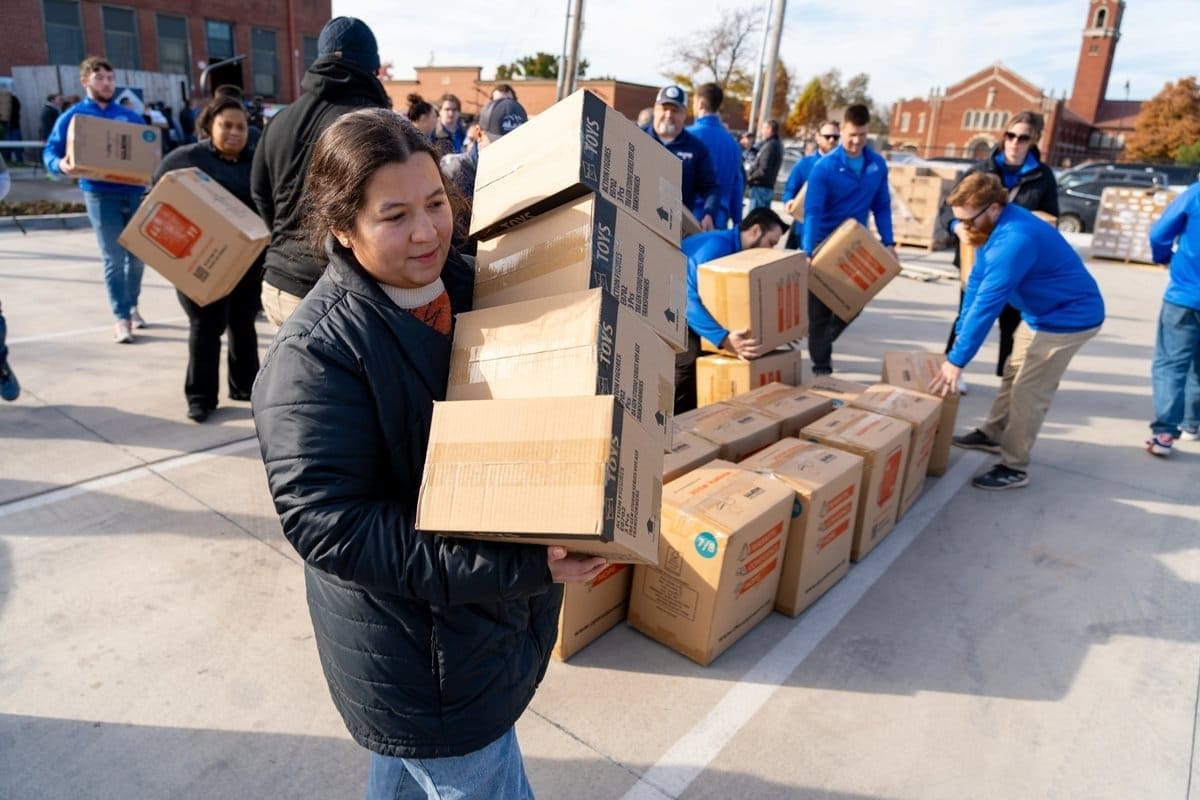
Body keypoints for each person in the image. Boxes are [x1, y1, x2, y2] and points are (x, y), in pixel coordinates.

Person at [252, 108, 605, 800]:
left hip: (483, 631)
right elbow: (335, 526)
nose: (426, 230)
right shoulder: (316, 356)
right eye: (394, 215)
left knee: (409, 777)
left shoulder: (479, 288)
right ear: (342, 227)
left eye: (436, 203)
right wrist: (521, 562)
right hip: (419, 656)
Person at [928, 173, 1104, 490]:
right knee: (1013, 371)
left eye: (968, 221)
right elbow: (975, 288)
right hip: (1040, 314)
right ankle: (992, 434)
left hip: (1069, 318)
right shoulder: (993, 230)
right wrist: (957, 339)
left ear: (994, 208)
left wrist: (957, 361)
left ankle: (1014, 466)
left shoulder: (1015, 239)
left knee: (1028, 391)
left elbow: (987, 307)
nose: (964, 228)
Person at [251, 16, 391, 327]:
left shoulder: (281, 118)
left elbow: (260, 192)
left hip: (276, 283)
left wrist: (284, 238)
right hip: (330, 295)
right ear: (373, 67)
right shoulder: (368, 122)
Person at [152, 94, 263, 423]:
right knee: (206, 326)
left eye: (240, 126)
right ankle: (200, 397)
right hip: (200, 261)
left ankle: (245, 386)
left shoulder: (257, 162)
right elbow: (158, 196)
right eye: (225, 125)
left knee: (243, 324)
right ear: (209, 126)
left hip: (247, 263)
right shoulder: (186, 159)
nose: (234, 132)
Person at [943, 110, 1059, 394]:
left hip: (1017, 260)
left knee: (1011, 323)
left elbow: (1051, 218)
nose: (1014, 143)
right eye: (1010, 135)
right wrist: (957, 226)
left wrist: (1021, 230)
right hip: (978, 254)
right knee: (970, 310)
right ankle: (953, 367)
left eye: (1022, 138)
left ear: (1033, 141)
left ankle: (1006, 379)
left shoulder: (1042, 177)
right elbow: (951, 209)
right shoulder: (982, 170)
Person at [43, 56, 150, 344]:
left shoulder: (129, 116)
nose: (106, 84)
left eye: (110, 79)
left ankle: (133, 305)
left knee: (138, 258)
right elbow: (50, 152)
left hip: (132, 192)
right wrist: (60, 165)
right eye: (100, 78)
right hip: (100, 194)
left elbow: (146, 149)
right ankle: (121, 317)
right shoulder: (74, 117)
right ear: (85, 81)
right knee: (113, 259)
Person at [802, 103, 895, 376]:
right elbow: (812, 211)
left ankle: (821, 343)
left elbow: (882, 206)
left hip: (856, 245)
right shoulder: (824, 167)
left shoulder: (876, 165)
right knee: (819, 313)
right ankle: (822, 369)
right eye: (852, 134)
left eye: (863, 135)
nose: (856, 141)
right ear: (842, 129)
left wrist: (889, 243)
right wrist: (808, 250)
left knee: (852, 306)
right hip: (824, 245)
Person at [674, 207, 788, 413]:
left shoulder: (739, 257)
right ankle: (678, 424)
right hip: (668, 304)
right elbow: (684, 297)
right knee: (690, 360)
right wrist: (723, 339)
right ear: (755, 231)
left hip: (688, 305)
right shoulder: (718, 247)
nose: (771, 251)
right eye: (771, 243)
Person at [1145, 180, 1200, 456]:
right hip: (1187, 293)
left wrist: (1162, 256)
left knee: (1171, 364)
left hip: (1186, 294)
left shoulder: (1195, 194)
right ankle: (1192, 423)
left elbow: (1160, 232)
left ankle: (1165, 433)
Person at [642, 85, 720, 232]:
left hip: (675, 229)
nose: (669, 114)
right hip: (638, 222)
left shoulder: (696, 149)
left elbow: (711, 188)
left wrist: (709, 213)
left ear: (685, 115)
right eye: (664, 108)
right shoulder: (637, 137)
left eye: (675, 110)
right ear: (655, 109)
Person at [441, 96, 527, 201]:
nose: (507, 151)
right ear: (479, 134)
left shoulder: (524, 174)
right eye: (499, 143)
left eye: (514, 144)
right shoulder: (452, 174)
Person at [686, 82, 745, 228]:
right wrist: (737, 220)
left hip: (688, 215)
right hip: (719, 219)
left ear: (700, 103)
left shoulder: (686, 137)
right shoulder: (732, 143)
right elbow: (737, 184)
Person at [781, 120, 839, 249]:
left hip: (832, 234)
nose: (831, 140)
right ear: (818, 138)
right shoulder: (804, 165)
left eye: (835, 137)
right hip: (803, 230)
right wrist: (789, 202)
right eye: (827, 136)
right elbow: (789, 191)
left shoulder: (844, 168)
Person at [746, 118, 783, 212]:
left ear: (769, 130)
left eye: (763, 128)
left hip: (761, 189)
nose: (762, 131)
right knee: (763, 219)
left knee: (756, 219)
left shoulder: (769, 146)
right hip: (767, 188)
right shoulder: (776, 145)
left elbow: (763, 170)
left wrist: (750, 177)